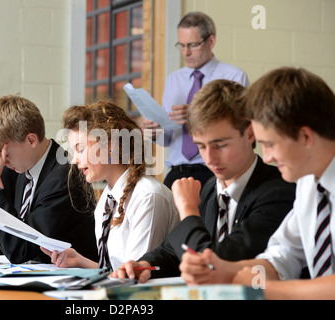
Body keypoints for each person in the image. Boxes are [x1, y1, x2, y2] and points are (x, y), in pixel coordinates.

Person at [114, 79, 295, 282]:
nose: (209, 159)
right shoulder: (210, 187)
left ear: (250, 133)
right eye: (201, 146)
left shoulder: (279, 191)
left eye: (220, 145)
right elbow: (174, 249)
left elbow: (213, 265)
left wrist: (188, 209)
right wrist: (146, 265)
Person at [179, 67, 335, 300]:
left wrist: (261, 290)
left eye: (270, 144)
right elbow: (283, 257)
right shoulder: (309, 185)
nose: (268, 157)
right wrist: (223, 270)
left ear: (305, 136)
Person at [0, 95, 97, 264]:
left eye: (6, 155)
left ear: (31, 140)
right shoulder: (20, 168)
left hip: (76, 281)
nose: (4, 164)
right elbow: (18, 235)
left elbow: (20, 249)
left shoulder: (66, 176)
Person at [41, 100, 180, 271]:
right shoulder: (106, 201)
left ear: (110, 145)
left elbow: (135, 276)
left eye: (81, 149)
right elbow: (116, 271)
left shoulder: (148, 196)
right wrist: (80, 261)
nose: (75, 159)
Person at [142, 11, 249, 189]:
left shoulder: (234, 76)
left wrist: (197, 114)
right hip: (177, 173)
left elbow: (241, 127)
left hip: (215, 172)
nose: (186, 52)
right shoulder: (173, 79)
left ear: (211, 41)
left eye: (192, 45)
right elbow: (168, 138)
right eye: (181, 45)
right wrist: (154, 132)